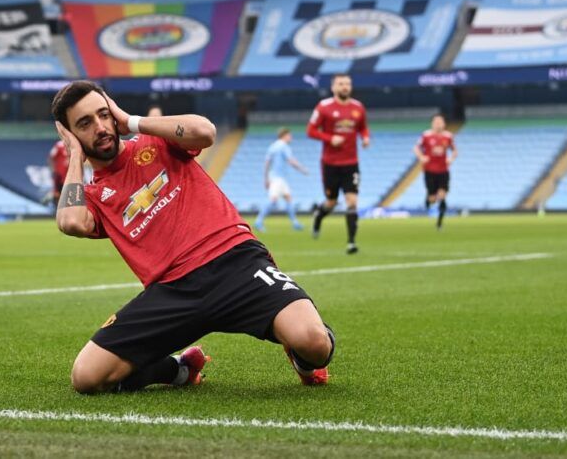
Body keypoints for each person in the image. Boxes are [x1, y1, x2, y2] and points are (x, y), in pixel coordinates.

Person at [51, 81, 335, 394]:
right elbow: (70, 221)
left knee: (314, 343)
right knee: (86, 377)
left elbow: (205, 132)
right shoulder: (92, 196)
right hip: (173, 293)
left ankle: (301, 359)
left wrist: (131, 120)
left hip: (236, 262)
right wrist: (75, 157)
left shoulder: (155, 143)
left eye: (104, 114)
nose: (101, 127)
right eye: (85, 123)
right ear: (70, 134)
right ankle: (180, 370)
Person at [307, 74, 369, 254]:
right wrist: (329, 138)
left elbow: (363, 127)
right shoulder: (323, 107)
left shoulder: (358, 108)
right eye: (341, 84)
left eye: (348, 84)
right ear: (333, 87)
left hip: (351, 163)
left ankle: (351, 242)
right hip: (330, 164)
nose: (345, 87)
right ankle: (319, 215)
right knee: (331, 202)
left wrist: (365, 138)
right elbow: (310, 130)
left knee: (352, 201)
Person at [254, 127, 308, 233]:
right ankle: (258, 221)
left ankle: (295, 223)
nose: (291, 138)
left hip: (274, 177)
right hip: (278, 178)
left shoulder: (273, 146)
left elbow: (267, 163)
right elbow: (291, 160)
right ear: (284, 136)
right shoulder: (284, 146)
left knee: (288, 198)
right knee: (273, 200)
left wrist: (266, 178)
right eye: (289, 135)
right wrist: (302, 169)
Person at [414, 114, 457, 230]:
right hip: (429, 171)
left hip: (443, 170)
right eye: (436, 122)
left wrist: (451, 159)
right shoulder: (426, 135)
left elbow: (455, 151)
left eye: (440, 122)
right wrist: (421, 157)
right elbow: (416, 148)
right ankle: (429, 197)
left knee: (442, 195)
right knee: (433, 199)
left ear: (444, 124)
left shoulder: (448, 136)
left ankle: (439, 223)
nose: (438, 124)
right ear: (432, 123)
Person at [48, 138, 70, 206]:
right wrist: (53, 169)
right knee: (57, 192)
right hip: (60, 174)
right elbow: (51, 157)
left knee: (68, 193)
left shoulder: (74, 145)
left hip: (69, 174)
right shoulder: (59, 145)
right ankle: (56, 209)